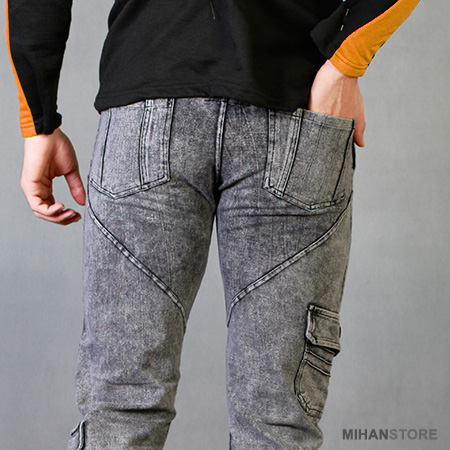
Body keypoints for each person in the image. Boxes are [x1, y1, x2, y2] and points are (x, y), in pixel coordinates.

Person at [6, 0, 420, 448]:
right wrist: (346, 62)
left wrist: (38, 122)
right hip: (294, 112)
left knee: (119, 413)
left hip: (147, 107)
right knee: (277, 426)